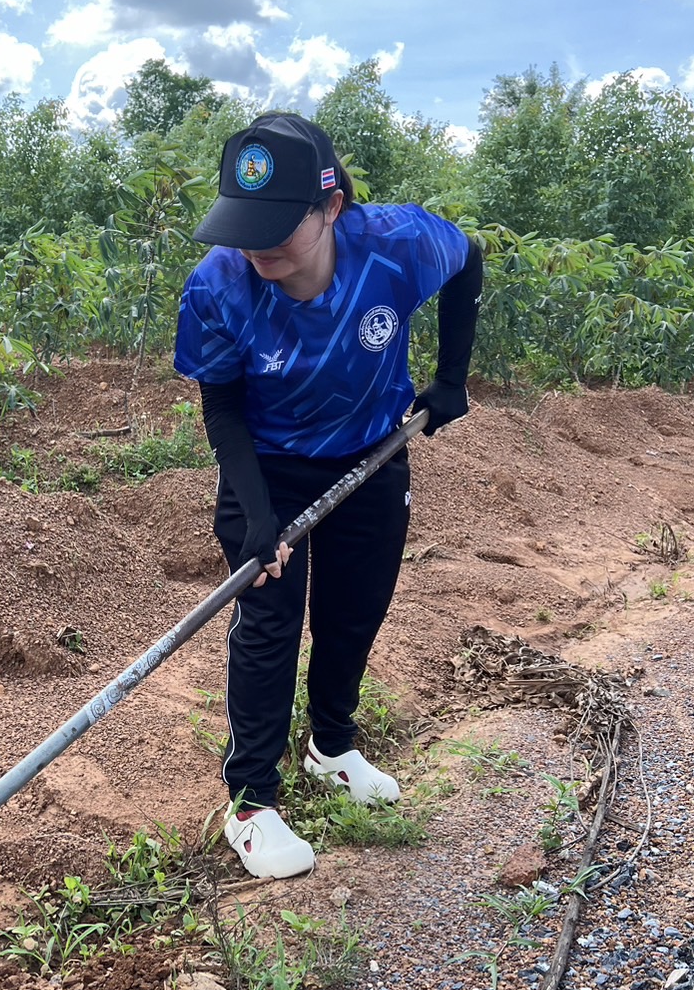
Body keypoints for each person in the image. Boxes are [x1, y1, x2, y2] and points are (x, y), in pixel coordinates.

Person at [174, 112, 482, 879]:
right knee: (269, 619)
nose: (258, 248)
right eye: (245, 227)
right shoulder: (217, 285)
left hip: (372, 452)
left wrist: (451, 377)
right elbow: (222, 407)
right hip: (267, 465)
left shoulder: (397, 246)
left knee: (355, 606)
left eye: (279, 227)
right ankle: (251, 802)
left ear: (331, 206)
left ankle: (332, 746)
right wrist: (256, 514)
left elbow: (469, 258)